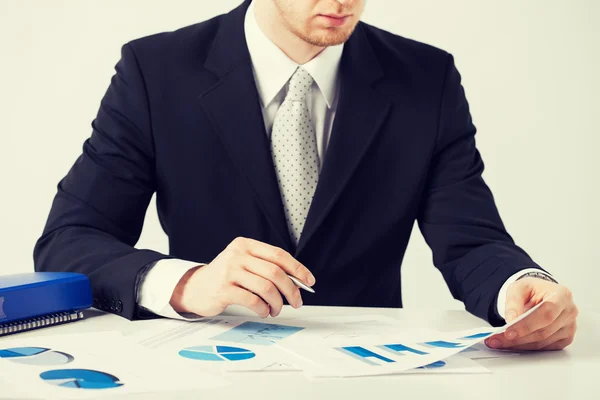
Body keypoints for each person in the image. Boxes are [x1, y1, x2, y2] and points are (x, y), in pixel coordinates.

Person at [34, 0, 578, 351]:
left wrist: (520, 290)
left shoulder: (425, 78)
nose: (342, 2)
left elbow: (472, 238)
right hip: (202, 367)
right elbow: (69, 240)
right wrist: (187, 283)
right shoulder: (156, 71)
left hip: (369, 371)